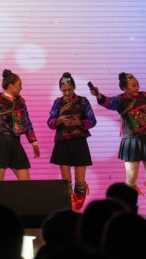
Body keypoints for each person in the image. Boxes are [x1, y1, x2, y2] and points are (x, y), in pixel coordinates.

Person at [89, 72, 146, 220]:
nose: (137, 87)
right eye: (133, 85)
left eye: (137, 84)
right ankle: (127, 209)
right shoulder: (120, 100)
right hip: (131, 141)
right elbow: (107, 102)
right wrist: (98, 95)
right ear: (124, 88)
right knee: (131, 179)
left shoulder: (144, 97)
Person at [48, 72, 97, 211]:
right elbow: (50, 122)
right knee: (66, 182)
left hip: (79, 142)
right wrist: (59, 120)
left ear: (74, 87)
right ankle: (67, 210)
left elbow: (93, 121)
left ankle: (76, 208)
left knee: (80, 182)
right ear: (60, 90)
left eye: (69, 89)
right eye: (64, 90)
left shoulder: (83, 101)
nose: (67, 93)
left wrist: (79, 122)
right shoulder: (58, 102)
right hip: (62, 142)